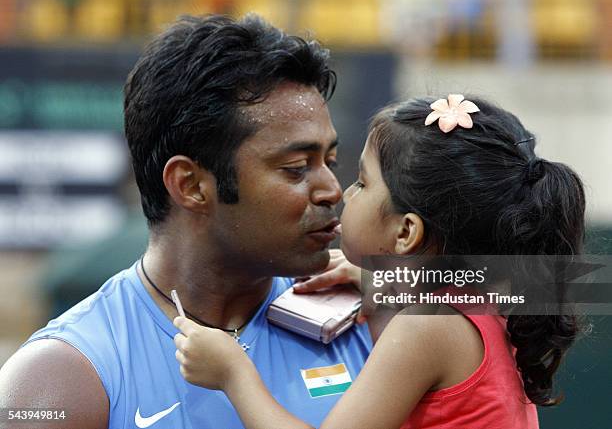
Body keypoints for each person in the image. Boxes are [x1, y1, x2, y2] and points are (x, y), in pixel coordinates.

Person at [0, 14, 372, 429]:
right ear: (191, 185)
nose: (332, 190)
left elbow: (458, 297)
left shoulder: (365, 315)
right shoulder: (55, 378)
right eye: (296, 167)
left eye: (330, 161)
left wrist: (400, 281)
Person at [172, 94, 587, 429]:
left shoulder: (424, 328)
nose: (342, 194)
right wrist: (375, 281)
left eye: (362, 182)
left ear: (406, 232)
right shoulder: (493, 293)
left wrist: (233, 374)